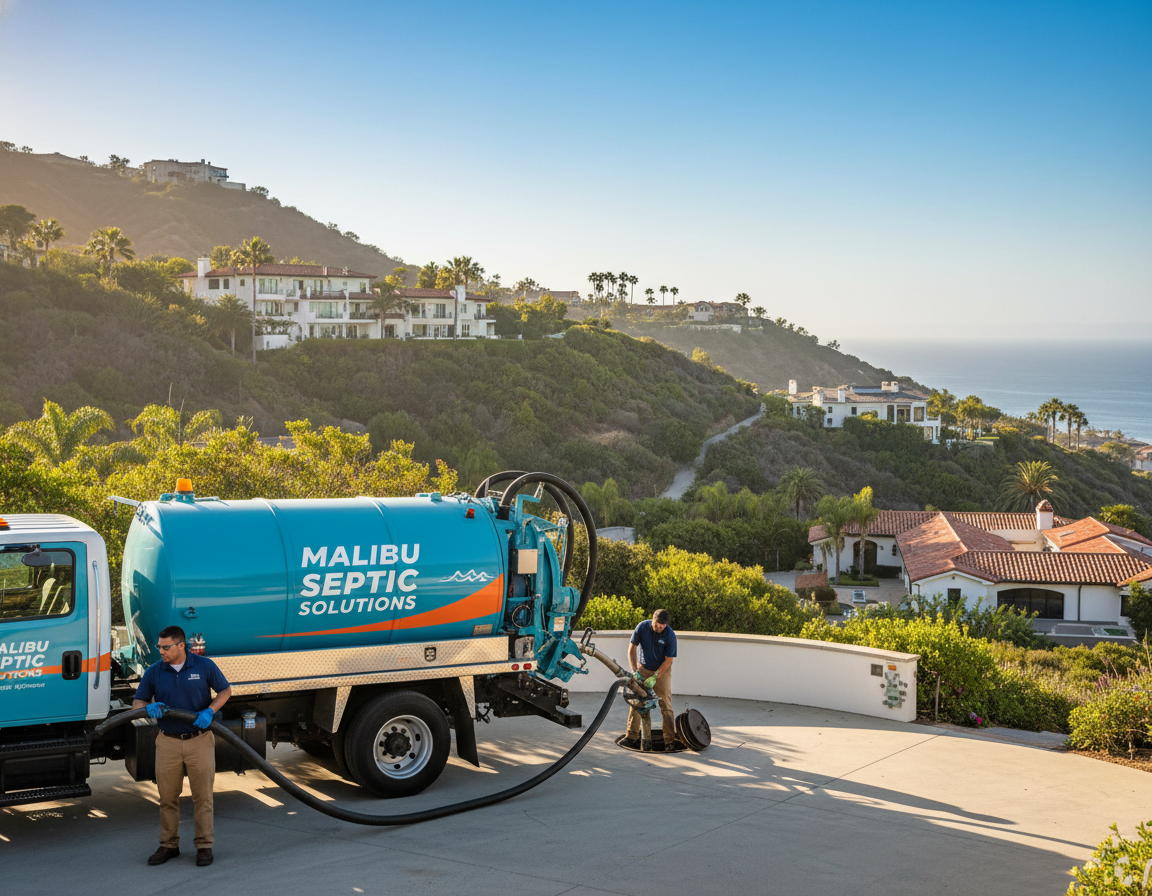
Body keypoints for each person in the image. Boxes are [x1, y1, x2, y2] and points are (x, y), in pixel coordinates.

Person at [132, 625, 232, 867]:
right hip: (167, 742)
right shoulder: (154, 672)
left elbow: (225, 690)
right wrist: (147, 708)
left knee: (203, 798)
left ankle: (204, 846)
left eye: (166, 647)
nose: (161, 651)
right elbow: (137, 702)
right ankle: (168, 845)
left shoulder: (204, 666)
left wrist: (210, 710)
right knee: (167, 798)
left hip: (199, 740)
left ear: (181, 646)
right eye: (159, 647)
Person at [623, 609, 678, 752]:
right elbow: (631, 649)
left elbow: (668, 661)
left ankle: (670, 741)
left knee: (665, 703)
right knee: (636, 701)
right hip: (643, 668)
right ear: (653, 620)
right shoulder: (642, 627)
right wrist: (635, 672)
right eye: (658, 623)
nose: (660, 627)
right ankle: (631, 736)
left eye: (663, 625)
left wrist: (655, 677)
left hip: (662, 670)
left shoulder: (670, 635)